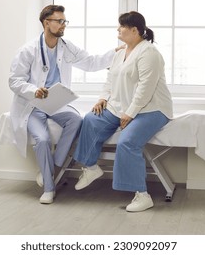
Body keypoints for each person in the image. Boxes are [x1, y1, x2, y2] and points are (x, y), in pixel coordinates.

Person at [9, 5, 121, 204]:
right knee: (42, 139)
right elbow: (14, 81)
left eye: (64, 21)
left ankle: (50, 169)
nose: (63, 25)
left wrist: (115, 53)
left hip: (57, 102)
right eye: (59, 21)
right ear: (46, 23)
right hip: (33, 105)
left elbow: (91, 62)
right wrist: (33, 90)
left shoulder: (66, 47)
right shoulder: (27, 51)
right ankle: (49, 189)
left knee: (76, 119)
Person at [72, 11, 173, 212]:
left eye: (121, 26)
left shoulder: (150, 53)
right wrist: (102, 98)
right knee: (91, 119)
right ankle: (91, 167)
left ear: (134, 30)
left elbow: (146, 87)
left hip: (152, 109)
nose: (118, 29)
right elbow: (110, 80)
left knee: (127, 141)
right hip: (121, 106)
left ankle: (142, 195)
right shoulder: (119, 53)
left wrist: (130, 113)